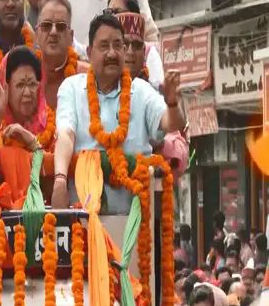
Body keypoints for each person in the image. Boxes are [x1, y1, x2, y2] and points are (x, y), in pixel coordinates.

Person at [51, 12, 185, 209]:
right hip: (84, 219)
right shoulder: (71, 88)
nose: (112, 53)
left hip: (135, 221)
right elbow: (65, 134)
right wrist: (60, 179)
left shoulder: (140, 90)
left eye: (117, 45)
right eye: (104, 46)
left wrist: (172, 102)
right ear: (89, 52)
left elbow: (171, 123)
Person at [0, 46, 55, 203]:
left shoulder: (52, 125)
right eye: (20, 85)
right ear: (6, 88)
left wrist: (31, 141)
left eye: (32, 84)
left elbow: (59, 166)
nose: (27, 92)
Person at [34, 0, 88, 110]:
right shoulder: (27, 75)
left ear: (71, 36)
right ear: (37, 34)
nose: (53, 32)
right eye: (46, 25)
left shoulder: (87, 77)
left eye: (61, 26)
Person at [107, 0, 164, 90]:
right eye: (108, 12)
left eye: (116, 12)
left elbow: (159, 89)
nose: (112, 17)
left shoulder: (149, 52)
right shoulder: (104, 50)